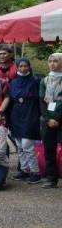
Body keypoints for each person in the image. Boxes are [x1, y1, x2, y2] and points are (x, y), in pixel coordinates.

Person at [7, 58, 41, 184]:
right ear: (17, 67)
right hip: (17, 115)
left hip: (31, 114)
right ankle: (24, 170)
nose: (23, 68)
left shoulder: (35, 81)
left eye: (25, 66)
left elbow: (39, 99)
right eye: (20, 66)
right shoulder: (14, 82)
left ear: (29, 67)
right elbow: (11, 99)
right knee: (20, 146)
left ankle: (35, 172)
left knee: (27, 145)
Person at [39, 53, 62, 188]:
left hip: (60, 119)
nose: (52, 63)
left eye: (55, 61)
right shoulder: (45, 80)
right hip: (47, 120)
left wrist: (58, 119)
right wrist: (48, 119)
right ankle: (51, 178)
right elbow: (42, 101)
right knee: (49, 149)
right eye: (50, 61)